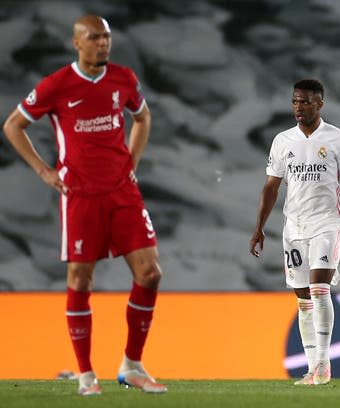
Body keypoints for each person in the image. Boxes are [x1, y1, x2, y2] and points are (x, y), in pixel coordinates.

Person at [3, 15, 167, 395]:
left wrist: (132, 162)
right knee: (80, 279)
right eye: (95, 38)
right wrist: (45, 171)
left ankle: (132, 365)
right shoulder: (57, 85)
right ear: (77, 43)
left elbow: (142, 118)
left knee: (150, 273)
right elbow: (13, 124)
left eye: (107, 37)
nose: (103, 44)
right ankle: (85, 374)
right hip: (81, 195)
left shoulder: (123, 78)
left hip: (122, 191)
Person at [250, 79, 340, 385]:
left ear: (319, 104)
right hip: (295, 225)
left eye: (304, 102)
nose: (298, 108)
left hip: (328, 221)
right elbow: (271, 187)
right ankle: (312, 366)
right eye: (294, 102)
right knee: (302, 297)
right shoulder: (282, 141)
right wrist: (260, 228)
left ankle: (323, 365)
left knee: (319, 289)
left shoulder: (338, 138)